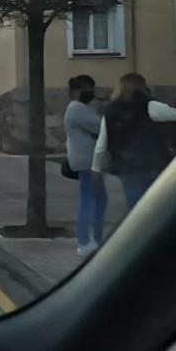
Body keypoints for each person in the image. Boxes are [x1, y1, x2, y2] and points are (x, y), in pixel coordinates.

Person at [93, 72, 176, 210]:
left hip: (127, 166)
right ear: (143, 86)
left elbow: (102, 143)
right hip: (154, 162)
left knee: (136, 209)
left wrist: (97, 168)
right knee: (160, 206)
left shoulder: (111, 110)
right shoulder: (150, 105)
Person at [64, 75, 106, 257]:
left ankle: (91, 239)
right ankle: (87, 241)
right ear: (75, 92)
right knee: (92, 201)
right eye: (87, 89)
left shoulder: (79, 108)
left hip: (87, 160)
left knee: (95, 200)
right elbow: (100, 127)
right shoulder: (77, 109)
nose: (91, 92)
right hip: (87, 161)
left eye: (92, 88)